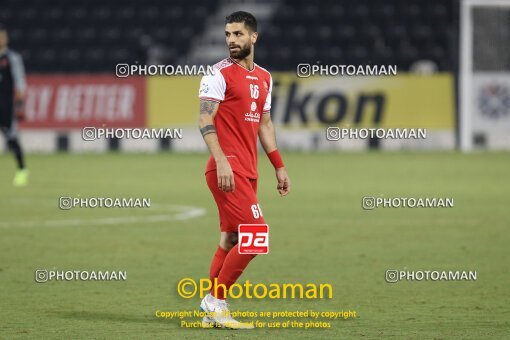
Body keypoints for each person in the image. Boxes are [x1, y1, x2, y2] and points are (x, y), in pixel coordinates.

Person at [197, 11, 291, 329]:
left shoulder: (264, 77)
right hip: (226, 169)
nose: (231, 41)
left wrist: (279, 167)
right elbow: (204, 119)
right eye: (227, 34)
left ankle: (210, 308)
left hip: (249, 172)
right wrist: (222, 159)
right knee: (256, 236)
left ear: (253, 37)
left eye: (238, 34)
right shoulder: (217, 74)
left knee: (231, 239)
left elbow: (264, 124)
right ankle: (216, 301)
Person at [0, 23, 28, 186]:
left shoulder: (12, 58)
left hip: (6, 105)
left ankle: (22, 169)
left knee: (11, 138)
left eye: (3, 36)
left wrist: (19, 105)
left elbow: (20, 83)